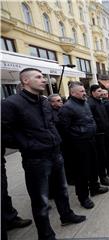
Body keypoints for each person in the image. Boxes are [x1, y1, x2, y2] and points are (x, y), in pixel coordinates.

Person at [1, 68, 86, 240]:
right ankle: (45, 234)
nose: (44, 80)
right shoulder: (11, 103)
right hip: (36, 159)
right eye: (38, 77)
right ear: (25, 81)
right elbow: (4, 132)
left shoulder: (44, 101)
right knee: (40, 199)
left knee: (62, 190)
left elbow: (51, 124)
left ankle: (66, 215)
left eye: (43, 77)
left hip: (55, 153)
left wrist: (55, 139)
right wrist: (27, 144)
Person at [59, 81, 109, 210]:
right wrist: (78, 137)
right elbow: (64, 130)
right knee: (81, 172)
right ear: (73, 93)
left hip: (91, 140)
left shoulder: (85, 104)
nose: (84, 93)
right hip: (78, 145)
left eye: (84, 90)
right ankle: (83, 197)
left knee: (93, 166)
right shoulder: (67, 108)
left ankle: (95, 187)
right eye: (81, 91)